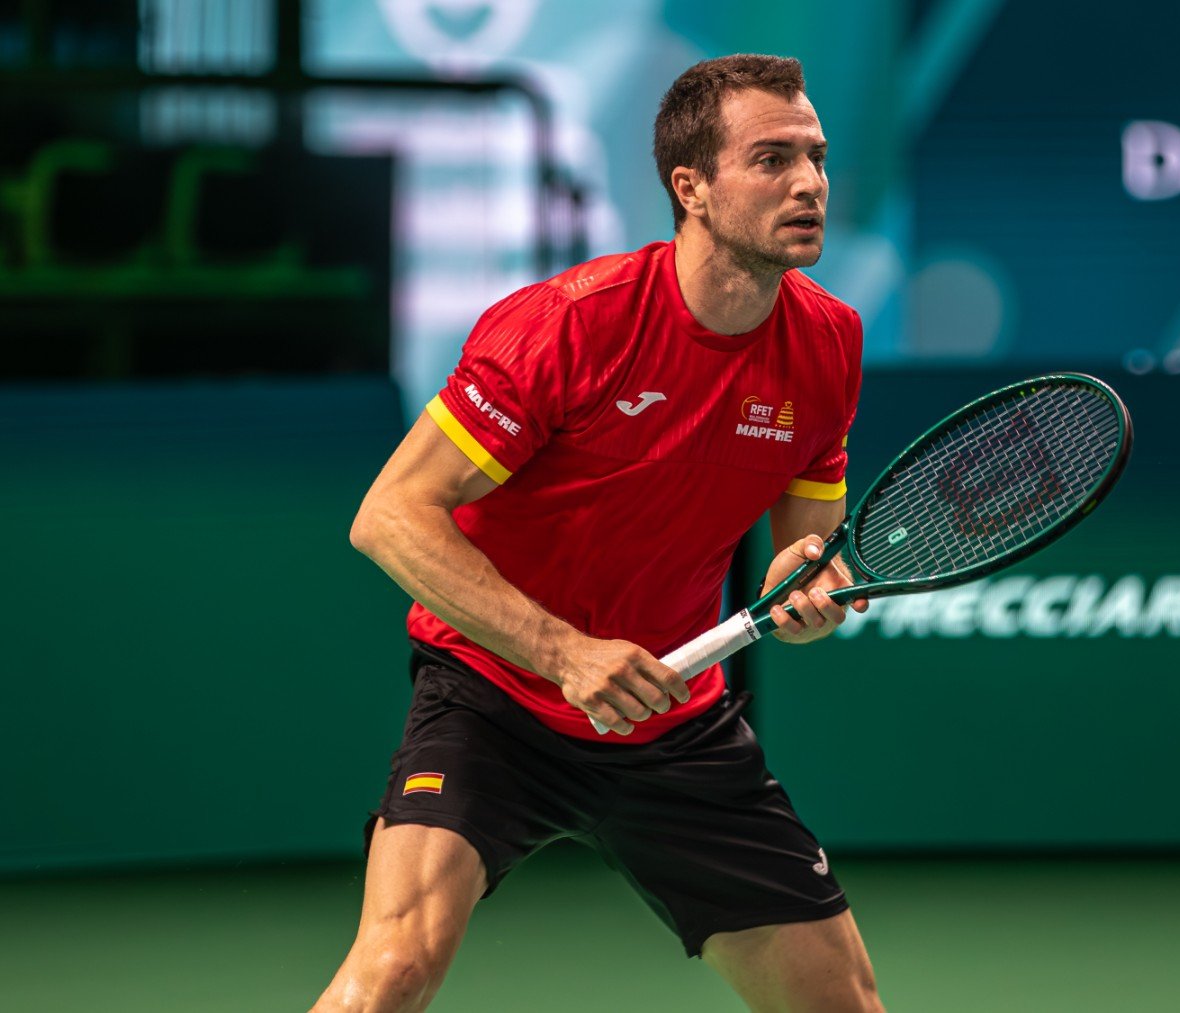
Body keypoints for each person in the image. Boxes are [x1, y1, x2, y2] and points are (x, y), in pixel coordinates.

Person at [312, 54, 882, 1012]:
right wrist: (563, 652)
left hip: (677, 719)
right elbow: (390, 516)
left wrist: (808, 586)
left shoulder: (828, 343)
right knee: (393, 969)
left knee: (843, 1003)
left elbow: (804, 544)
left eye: (816, 157)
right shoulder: (569, 328)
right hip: (496, 697)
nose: (809, 184)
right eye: (772, 159)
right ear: (689, 188)